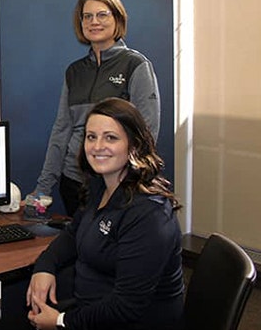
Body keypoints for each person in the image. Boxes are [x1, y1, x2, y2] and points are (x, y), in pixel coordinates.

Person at [26, 97, 183, 330]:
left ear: (134, 144)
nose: (97, 146)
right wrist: (44, 266)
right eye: (91, 137)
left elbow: (126, 306)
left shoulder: (149, 214)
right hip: (91, 309)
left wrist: (60, 322)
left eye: (111, 137)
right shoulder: (101, 186)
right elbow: (72, 234)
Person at [32, 0, 161, 217]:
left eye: (102, 14)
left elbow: (147, 131)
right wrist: (43, 186)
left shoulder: (135, 65)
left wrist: (127, 182)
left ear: (117, 19)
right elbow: (62, 130)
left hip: (116, 184)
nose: (94, 21)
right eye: (87, 16)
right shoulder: (74, 72)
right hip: (73, 182)